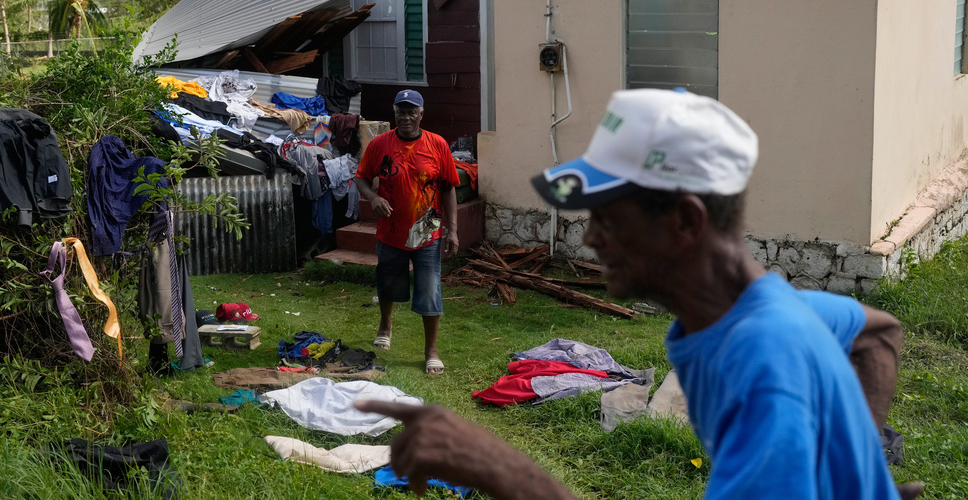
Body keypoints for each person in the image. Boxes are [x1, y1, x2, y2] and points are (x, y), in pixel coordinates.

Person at [359, 88, 921, 499]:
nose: (593, 235)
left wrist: (501, 469)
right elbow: (878, 332)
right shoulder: (761, 308)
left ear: (683, 221)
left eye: (610, 216)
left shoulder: (762, 376)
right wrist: (863, 465)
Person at [354, 89, 459, 375]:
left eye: (412, 111)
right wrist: (373, 198)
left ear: (421, 114)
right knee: (387, 283)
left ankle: (431, 351)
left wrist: (453, 231)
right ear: (394, 113)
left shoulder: (437, 145)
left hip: (428, 232)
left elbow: (449, 188)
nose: (406, 117)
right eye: (401, 111)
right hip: (390, 231)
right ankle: (385, 325)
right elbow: (361, 178)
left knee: (430, 289)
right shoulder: (379, 145)